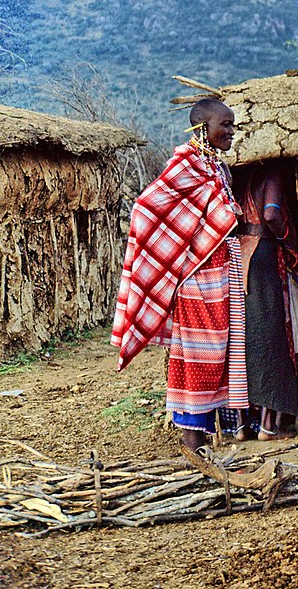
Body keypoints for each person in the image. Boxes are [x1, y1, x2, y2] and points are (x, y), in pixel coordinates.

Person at [111, 98, 247, 451]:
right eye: (225, 125)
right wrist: (180, 261)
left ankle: (203, 440)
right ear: (202, 127)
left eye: (233, 125)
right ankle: (192, 441)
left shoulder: (216, 168)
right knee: (197, 356)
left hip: (222, 273)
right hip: (197, 280)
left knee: (220, 354)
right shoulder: (185, 166)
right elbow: (146, 207)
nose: (231, 131)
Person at [228, 164, 298, 441]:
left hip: (238, 253)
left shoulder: (234, 175)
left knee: (242, 337)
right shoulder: (270, 173)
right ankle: (267, 426)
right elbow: (271, 214)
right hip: (263, 253)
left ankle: (239, 426)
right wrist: (287, 240)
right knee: (272, 336)